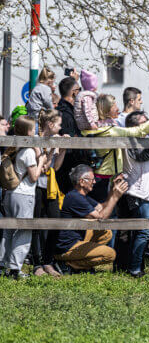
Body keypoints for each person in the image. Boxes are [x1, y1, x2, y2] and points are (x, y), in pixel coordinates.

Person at [81, 95, 149, 203]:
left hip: (100, 177)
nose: (118, 108)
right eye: (114, 105)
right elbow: (139, 131)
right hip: (104, 180)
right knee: (104, 215)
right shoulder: (110, 131)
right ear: (106, 110)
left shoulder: (95, 129)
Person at [54, 166, 128, 272]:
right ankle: (70, 264)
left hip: (78, 239)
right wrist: (115, 197)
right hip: (67, 247)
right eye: (92, 180)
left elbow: (102, 208)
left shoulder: (81, 196)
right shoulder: (75, 197)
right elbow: (101, 218)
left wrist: (113, 189)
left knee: (105, 233)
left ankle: (78, 260)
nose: (94, 182)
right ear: (82, 182)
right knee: (110, 254)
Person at [0, 116, 47, 279]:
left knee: (8, 230)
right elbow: (34, 177)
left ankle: (3, 264)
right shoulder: (27, 151)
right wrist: (41, 161)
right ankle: (15, 268)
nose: (35, 131)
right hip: (24, 194)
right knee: (24, 231)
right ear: (28, 131)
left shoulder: (14, 147)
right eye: (33, 128)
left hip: (11, 194)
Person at [119, 110, 149, 277]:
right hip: (137, 192)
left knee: (140, 231)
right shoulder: (131, 141)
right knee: (143, 231)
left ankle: (136, 266)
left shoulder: (142, 140)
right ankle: (134, 268)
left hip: (146, 192)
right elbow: (146, 155)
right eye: (145, 122)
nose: (148, 125)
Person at [29, 109, 65, 277]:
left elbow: (55, 167)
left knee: (55, 222)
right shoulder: (37, 140)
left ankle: (48, 261)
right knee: (35, 225)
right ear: (50, 125)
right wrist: (53, 149)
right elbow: (43, 167)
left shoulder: (54, 140)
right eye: (59, 124)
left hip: (50, 187)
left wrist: (62, 149)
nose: (61, 127)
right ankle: (37, 263)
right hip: (35, 185)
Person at [54, 76, 84, 193]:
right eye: (79, 90)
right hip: (67, 165)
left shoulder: (65, 110)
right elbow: (71, 138)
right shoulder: (65, 113)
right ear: (74, 92)